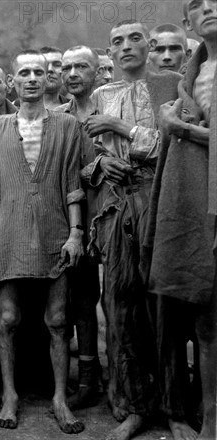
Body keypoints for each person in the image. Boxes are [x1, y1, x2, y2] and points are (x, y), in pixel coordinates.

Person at [0, 50, 85, 435]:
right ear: (13, 83)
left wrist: (75, 233)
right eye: (25, 73)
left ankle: (59, 399)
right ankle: (10, 396)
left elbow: (73, 182)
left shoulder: (67, 125)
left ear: (48, 77)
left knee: (57, 320)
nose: (33, 78)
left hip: (55, 231)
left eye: (40, 71)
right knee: (8, 319)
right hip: (10, 232)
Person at [83, 20, 181, 440]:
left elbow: (170, 147)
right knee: (121, 309)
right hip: (116, 206)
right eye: (117, 42)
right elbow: (86, 157)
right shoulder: (100, 95)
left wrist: (120, 128)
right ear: (109, 52)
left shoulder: (171, 86)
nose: (126, 47)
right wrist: (102, 163)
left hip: (160, 201)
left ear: (151, 46)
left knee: (164, 308)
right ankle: (136, 406)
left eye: (135, 39)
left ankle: (176, 409)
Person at [145, 1, 217, 439]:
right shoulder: (194, 72)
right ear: (190, 21)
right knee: (207, 318)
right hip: (200, 204)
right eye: (198, 5)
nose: (209, 8)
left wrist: (181, 129)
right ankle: (210, 417)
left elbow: (186, 128)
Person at [56, 46, 103, 410]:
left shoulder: (112, 109)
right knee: (81, 299)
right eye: (66, 67)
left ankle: (128, 376)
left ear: (98, 71)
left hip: (116, 213)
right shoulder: (57, 117)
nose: (72, 73)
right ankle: (88, 379)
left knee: (120, 301)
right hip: (75, 219)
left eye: (80, 66)